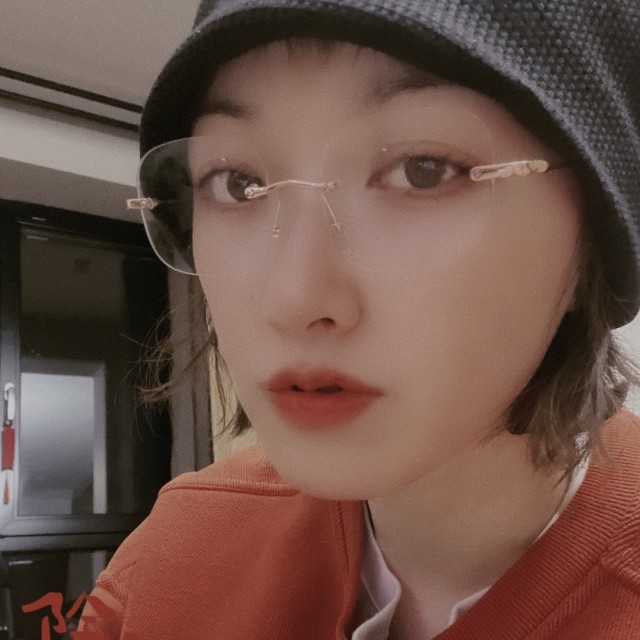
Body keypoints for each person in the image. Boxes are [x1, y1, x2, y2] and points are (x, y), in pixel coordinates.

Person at [80, 1, 640, 638]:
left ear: (595, 240)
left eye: (423, 172)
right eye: (237, 182)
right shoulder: (176, 562)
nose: (292, 300)